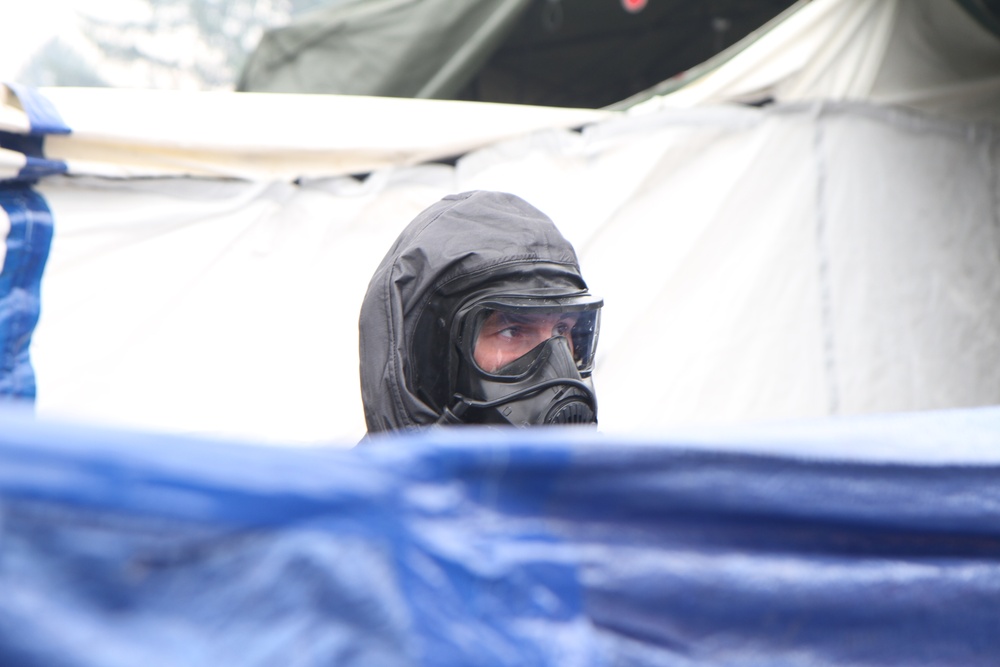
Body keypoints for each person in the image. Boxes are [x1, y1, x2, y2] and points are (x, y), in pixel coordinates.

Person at [358, 190, 602, 434]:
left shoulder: (606, 471)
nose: (559, 367)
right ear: (432, 362)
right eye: (512, 331)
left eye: (562, 329)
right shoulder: (350, 473)